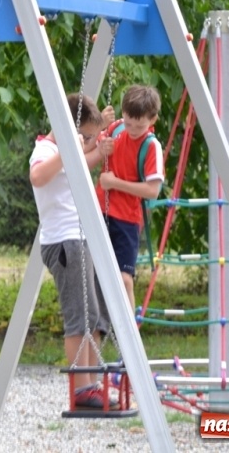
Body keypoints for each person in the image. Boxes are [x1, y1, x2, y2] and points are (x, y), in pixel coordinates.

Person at [29, 92, 117, 410]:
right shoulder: (46, 150)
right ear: (70, 130)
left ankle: (91, 383)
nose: (90, 142)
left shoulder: (65, 151)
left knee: (94, 315)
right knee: (79, 317)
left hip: (80, 238)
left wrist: (97, 147)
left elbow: (78, 164)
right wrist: (71, 149)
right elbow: (38, 176)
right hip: (65, 241)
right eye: (87, 137)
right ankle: (81, 389)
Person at [95, 84, 164, 313]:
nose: (132, 129)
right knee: (93, 274)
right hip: (100, 209)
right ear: (123, 114)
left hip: (127, 218)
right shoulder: (116, 128)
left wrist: (115, 183)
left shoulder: (151, 146)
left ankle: (129, 331)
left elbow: (153, 191)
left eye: (139, 125)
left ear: (152, 120)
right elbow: (90, 140)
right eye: (128, 122)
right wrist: (101, 140)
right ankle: (100, 325)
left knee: (124, 280)